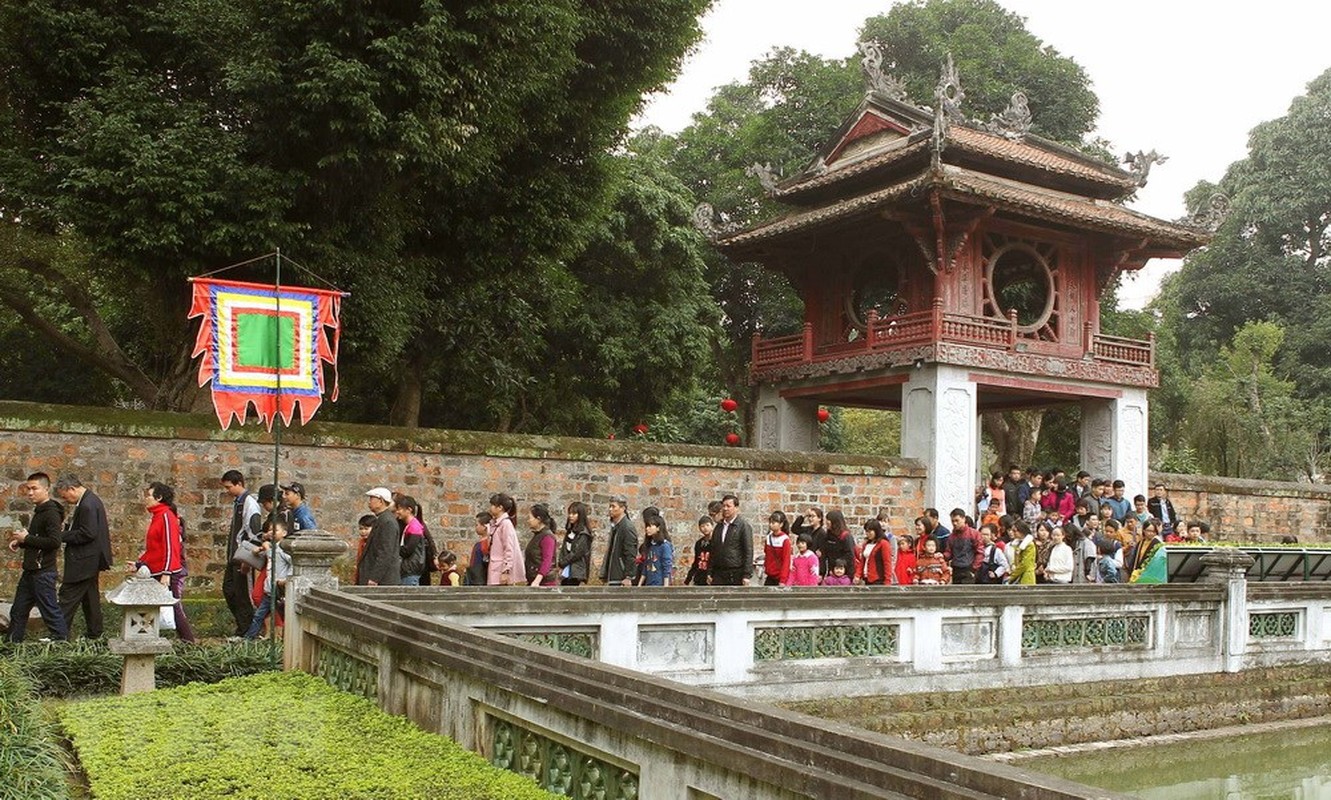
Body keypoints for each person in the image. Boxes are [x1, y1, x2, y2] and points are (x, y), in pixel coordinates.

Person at [7, 473, 67, 642]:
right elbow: (38, 539)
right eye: (28, 489)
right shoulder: (40, 511)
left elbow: (54, 542)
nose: (30, 492)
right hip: (31, 571)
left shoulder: (51, 513)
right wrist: (21, 543)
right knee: (18, 611)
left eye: (34, 488)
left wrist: (26, 539)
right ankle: (12, 647)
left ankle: (61, 645)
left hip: (43, 573)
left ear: (46, 489)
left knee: (50, 611)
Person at [54, 475, 112, 639]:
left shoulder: (87, 505)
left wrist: (62, 535)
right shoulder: (90, 501)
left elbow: (88, 533)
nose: (65, 499)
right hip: (90, 559)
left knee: (67, 596)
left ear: (71, 488)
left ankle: (59, 635)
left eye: (65, 495)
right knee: (90, 598)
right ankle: (95, 634)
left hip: (84, 560)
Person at [136, 481, 194, 642]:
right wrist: (138, 564)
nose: (146, 499)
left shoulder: (167, 515)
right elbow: (154, 548)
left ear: (159, 497)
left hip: (167, 572)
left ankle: (188, 642)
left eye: (149, 495)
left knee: (174, 608)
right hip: (156, 570)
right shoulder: (157, 516)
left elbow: (170, 546)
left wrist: (167, 572)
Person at [220, 470, 261, 638]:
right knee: (229, 590)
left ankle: (246, 630)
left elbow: (254, 532)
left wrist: (248, 559)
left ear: (239, 484)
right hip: (234, 557)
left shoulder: (250, 504)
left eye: (229, 487)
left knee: (242, 594)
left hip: (243, 557)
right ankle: (242, 626)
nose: (227, 491)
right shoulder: (239, 502)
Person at [243, 518, 292, 639]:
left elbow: (292, 562)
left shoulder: (283, 549)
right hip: (269, 589)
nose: (271, 532)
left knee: (286, 615)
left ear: (284, 533)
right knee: (259, 615)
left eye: (275, 530)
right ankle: (249, 638)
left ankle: (284, 638)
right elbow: (258, 554)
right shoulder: (272, 546)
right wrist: (259, 549)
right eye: (270, 530)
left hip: (279, 589)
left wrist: (287, 580)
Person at [357, 487, 401, 586]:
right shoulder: (382, 519)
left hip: (383, 581)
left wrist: (375, 578)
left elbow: (385, 552)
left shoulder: (387, 522)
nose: (369, 502)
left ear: (381, 501)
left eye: (371, 499)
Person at [710, 494, 753, 586]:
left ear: (736, 508)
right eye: (724, 506)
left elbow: (748, 551)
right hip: (719, 572)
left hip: (735, 572)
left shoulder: (743, 526)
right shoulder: (719, 527)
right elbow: (713, 550)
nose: (725, 509)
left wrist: (747, 575)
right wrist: (710, 572)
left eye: (728, 506)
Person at [486, 493, 525, 586]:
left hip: (500, 570)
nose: (490, 508)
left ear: (500, 507)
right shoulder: (497, 523)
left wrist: (505, 571)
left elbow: (509, 548)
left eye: (492, 505)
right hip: (495, 568)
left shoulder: (505, 524)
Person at [599, 496, 637, 586]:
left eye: (613, 506)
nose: (610, 509)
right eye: (610, 506)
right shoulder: (616, 526)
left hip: (620, 577)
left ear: (622, 508)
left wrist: (628, 576)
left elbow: (630, 553)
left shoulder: (627, 527)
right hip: (613, 576)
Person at [557, 502, 593, 586]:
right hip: (566, 571)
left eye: (574, 514)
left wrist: (562, 563)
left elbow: (577, 553)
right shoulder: (570, 531)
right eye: (569, 513)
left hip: (576, 572)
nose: (571, 516)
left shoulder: (584, 534)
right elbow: (564, 550)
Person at [943, 509, 983, 584]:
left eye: (957, 520)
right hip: (956, 569)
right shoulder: (951, 536)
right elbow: (949, 552)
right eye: (952, 521)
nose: (954, 523)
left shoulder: (974, 534)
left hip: (969, 568)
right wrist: (942, 556)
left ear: (964, 519)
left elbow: (980, 552)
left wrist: (974, 569)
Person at [524, 504, 559, 588]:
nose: (528, 520)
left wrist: (537, 580)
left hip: (544, 583)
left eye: (530, 518)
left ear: (538, 519)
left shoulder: (547, 537)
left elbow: (547, 561)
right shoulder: (538, 535)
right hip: (535, 581)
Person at [394, 495, 427, 586]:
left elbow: (407, 550)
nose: (397, 512)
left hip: (411, 569)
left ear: (409, 510)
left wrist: (393, 547)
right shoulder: (410, 525)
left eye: (400, 509)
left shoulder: (414, 527)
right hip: (409, 568)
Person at [638, 511, 674, 587]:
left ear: (658, 528)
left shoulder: (665, 546)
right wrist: (640, 584)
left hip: (659, 583)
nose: (647, 529)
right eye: (646, 526)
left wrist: (666, 586)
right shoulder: (649, 545)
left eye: (650, 526)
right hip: (649, 583)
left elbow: (667, 567)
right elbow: (645, 567)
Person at [821, 511, 856, 579]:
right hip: (832, 573)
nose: (826, 522)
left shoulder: (846, 536)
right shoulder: (828, 536)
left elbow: (850, 556)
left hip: (844, 574)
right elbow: (824, 555)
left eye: (828, 520)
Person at [762, 511, 792, 586]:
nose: (771, 524)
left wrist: (783, 580)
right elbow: (766, 554)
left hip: (779, 576)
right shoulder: (768, 537)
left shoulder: (785, 540)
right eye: (770, 522)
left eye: (774, 522)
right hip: (769, 575)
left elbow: (786, 560)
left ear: (781, 524)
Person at [859, 520, 891, 586]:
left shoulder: (883, 544)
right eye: (866, 532)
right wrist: (858, 574)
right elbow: (862, 561)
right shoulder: (866, 544)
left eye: (870, 531)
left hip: (878, 579)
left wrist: (887, 581)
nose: (867, 534)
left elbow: (887, 563)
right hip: (866, 578)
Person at [683, 516, 714, 586]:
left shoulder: (716, 541)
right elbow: (696, 561)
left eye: (707, 525)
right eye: (702, 526)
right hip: (700, 575)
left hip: (711, 576)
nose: (705, 528)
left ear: (712, 526)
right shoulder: (699, 543)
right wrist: (688, 578)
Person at [1006, 520, 1036, 585]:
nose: (1012, 533)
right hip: (1017, 575)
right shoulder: (1017, 543)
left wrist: (1013, 575)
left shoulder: (1029, 545)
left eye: (1015, 531)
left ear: (1022, 531)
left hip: (1026, 577)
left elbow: (1025, 564)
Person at [465, 512, 491, 585]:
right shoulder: (480, 544)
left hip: (479, 578)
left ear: (484, 526)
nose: (475, 527)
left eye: (477, 525)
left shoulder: (485, 544)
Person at [353, 514, 374, 585]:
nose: (363, 531)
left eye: (366, 529)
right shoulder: (361, 542)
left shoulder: (375, 543)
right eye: (361, 529)